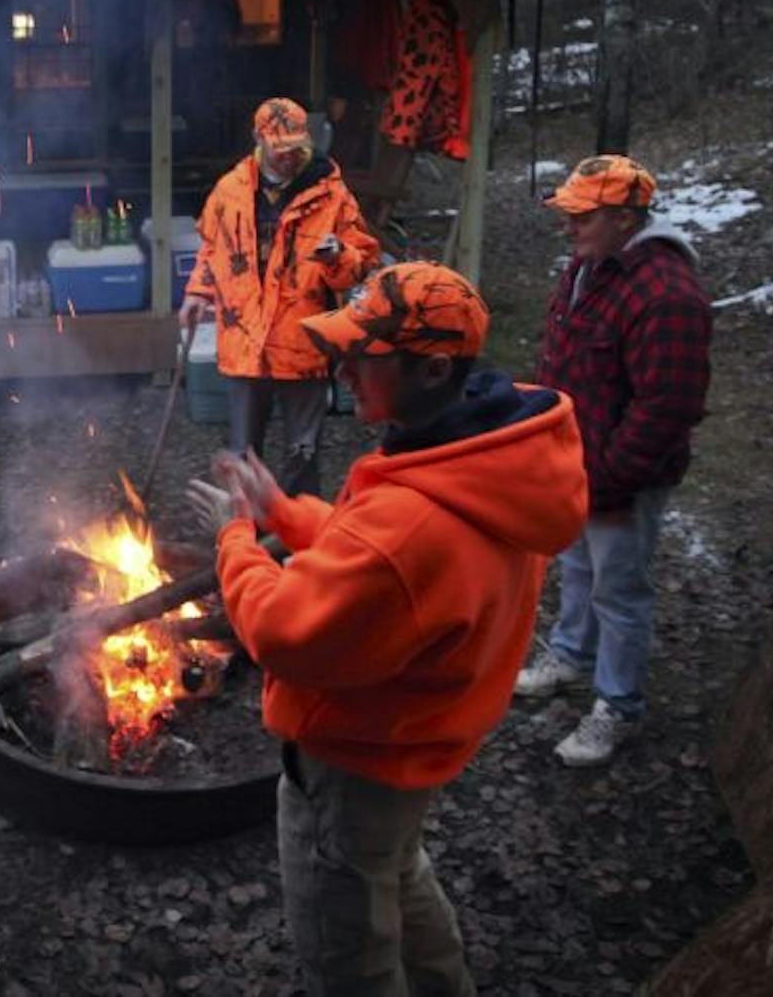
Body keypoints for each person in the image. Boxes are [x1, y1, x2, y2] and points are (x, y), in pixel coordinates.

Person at [189, 261, 588, 997]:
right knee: (397, 876)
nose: (340, 368)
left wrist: (237, 539)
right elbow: (377, 562)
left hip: (355, 763)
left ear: (433, 368)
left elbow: (284, 629)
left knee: (349, 951)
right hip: (419, 743)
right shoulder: (493, 461)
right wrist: (286, 512)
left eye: (360, 355)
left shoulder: (411, 521)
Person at [513, 155, 712, 768]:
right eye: (569, 214)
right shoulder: (588, 267)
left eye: (583, 215)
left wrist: (611, 478)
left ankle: (617, 706)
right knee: (576, 567)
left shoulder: (668, 294)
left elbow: (667, 407)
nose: (569, 227)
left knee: (620, 592)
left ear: (626, 219)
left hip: (621, 478)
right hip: (576, 464)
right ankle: (570, 656)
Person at [180, 97, 380, 497]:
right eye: (280, 148)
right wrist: (198, 293)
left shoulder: (332, 194)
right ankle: (244, 537)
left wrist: (339, 256)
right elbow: (211, 249)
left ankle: (297, 543)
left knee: (302, 453)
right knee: (243, 452)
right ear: (259, 139)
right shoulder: (230, 190)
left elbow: (361, 264)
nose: (290, 156)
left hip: (303, 343)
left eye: (297, 147)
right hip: (245, 342)